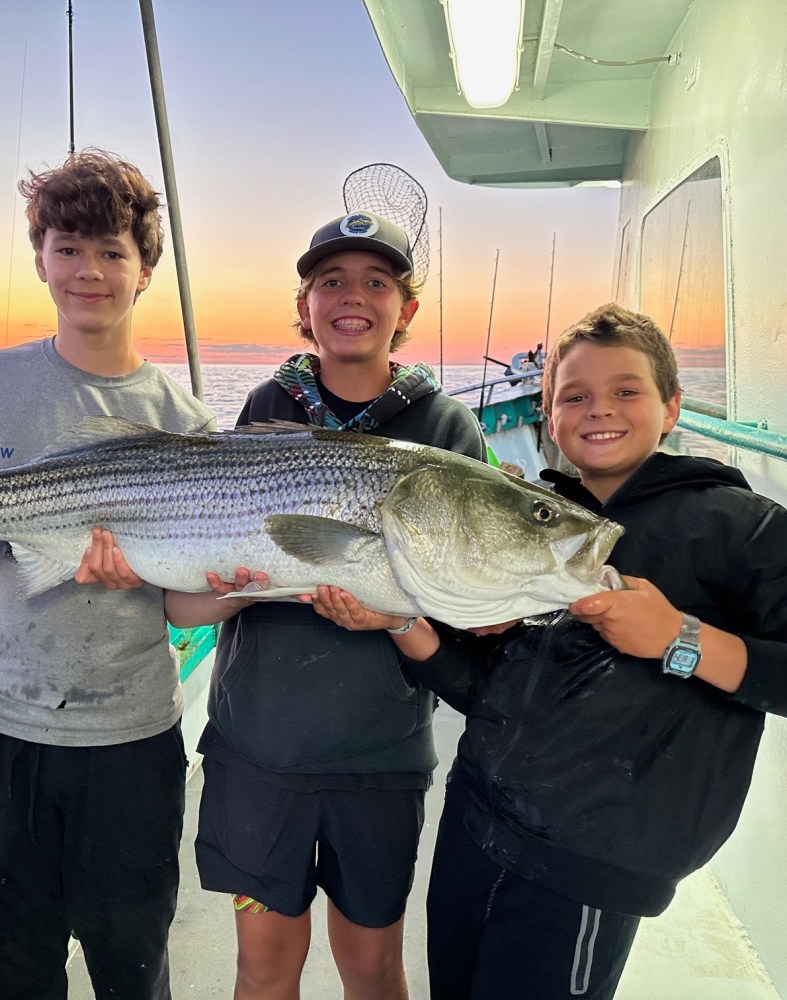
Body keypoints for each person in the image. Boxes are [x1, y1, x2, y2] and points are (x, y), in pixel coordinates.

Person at [307, 302, 787, 999]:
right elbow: (486, 694)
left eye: (625, 391)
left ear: (671, 407)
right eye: (573, 396)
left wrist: (678, 639)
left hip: (589, 866)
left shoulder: (736, 525)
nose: (598, 410)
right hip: (475, 827)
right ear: (550, 419)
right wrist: (396, 622)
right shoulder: (539, 521)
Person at [0, 149, 216, 1000]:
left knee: (130, 968)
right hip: (4, 729)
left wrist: (236, 580)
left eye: (111, 252)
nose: (88, 271)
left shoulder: (183, 419)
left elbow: (183, 600)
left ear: (145, 271)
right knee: (18, 969)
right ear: (39, 259)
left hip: (131, 738)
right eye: (68, 248)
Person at [166, 210, 487, 1000]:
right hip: (257, 750)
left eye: (376, 282)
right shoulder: (263, 408)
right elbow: (199, 596)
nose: (353, 297)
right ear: (304, 305)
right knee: (263, 968)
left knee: (374, 968)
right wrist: (224, 584)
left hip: (378, 755)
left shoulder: (446, 427)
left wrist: (399, 618)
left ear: (405, 310)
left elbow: (462, 596)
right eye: (330, 281)